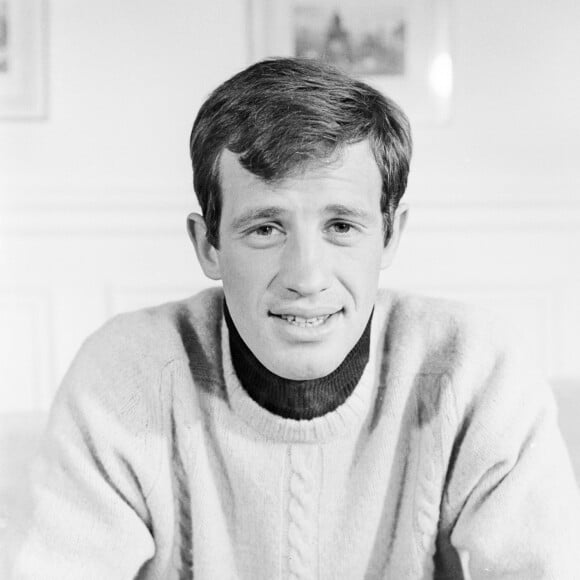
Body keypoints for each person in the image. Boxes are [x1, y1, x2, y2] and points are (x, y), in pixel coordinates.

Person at [10, 58, 580, 579]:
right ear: (208, 245)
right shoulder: (123, 376)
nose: (306, 277)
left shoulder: (478, 372)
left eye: (341, 227)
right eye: (265, 228)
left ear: (390, 236)